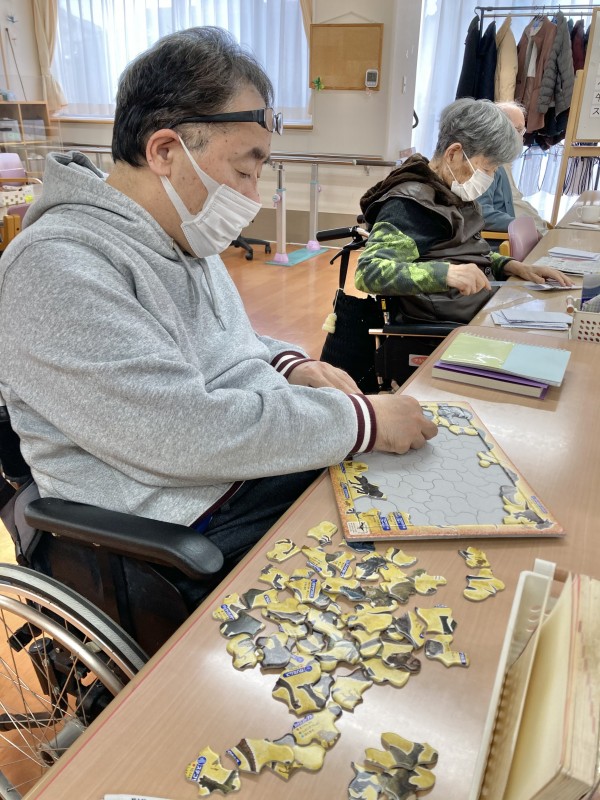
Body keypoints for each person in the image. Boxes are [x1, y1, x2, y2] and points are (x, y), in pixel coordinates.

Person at [0, 27, 437, 605]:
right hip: (180, 524)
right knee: (404, 566)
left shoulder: (178, 230)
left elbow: (223, 338)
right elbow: (179, 433)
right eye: (244, 170)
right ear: (164, 151)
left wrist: (290, 365)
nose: (253, 196)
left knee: (415, 497)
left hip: (238, 473)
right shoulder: (56, 266)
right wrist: (363, 423)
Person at [354, 98, 570, 324]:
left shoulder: (452, 191)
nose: (490, 177)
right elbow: (368, 272)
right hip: (449, 328)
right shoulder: (410, 205)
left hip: (479, 310)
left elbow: (466, 253)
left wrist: (511, 266)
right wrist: (446, 274)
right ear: (454, 154)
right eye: (487, 168)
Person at [477, 101, 549, 236]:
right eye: (518, 130)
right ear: (497, 128)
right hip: (504, 241)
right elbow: (481, 212)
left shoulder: (501, 161)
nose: (522, 138)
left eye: (522, 131)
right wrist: (523, 227)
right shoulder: (484, 163)